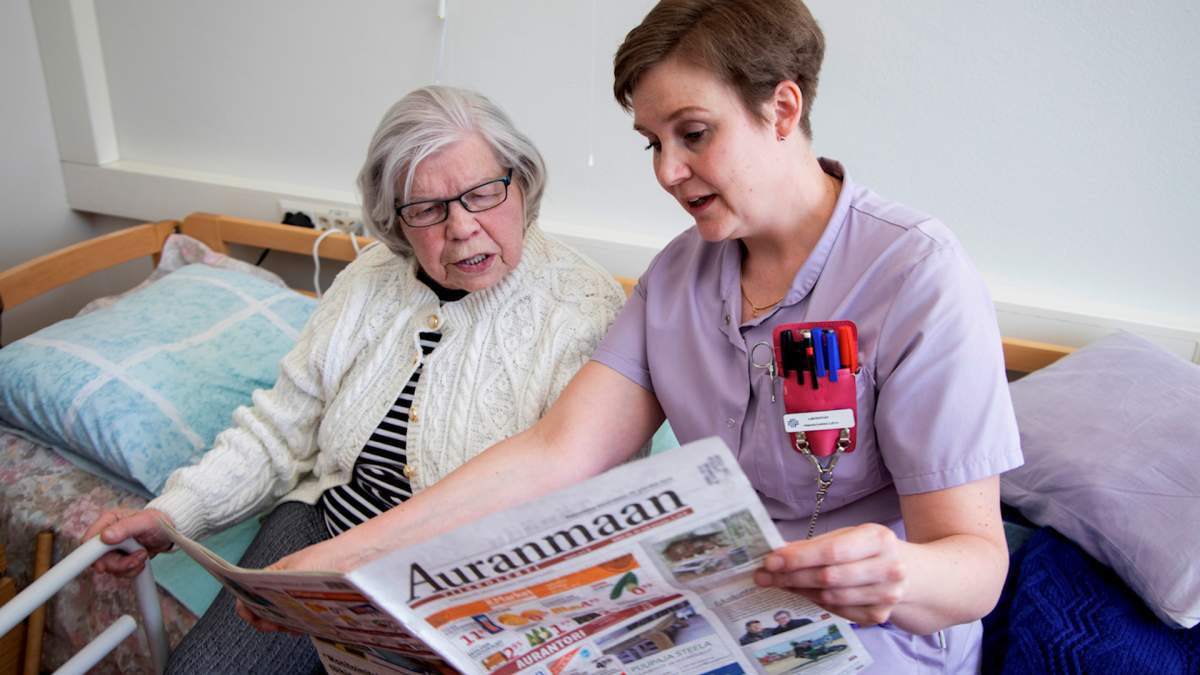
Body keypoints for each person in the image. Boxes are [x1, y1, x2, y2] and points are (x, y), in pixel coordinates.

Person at [264, 1, 1020, 671]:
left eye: (693, 134)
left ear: (782, 109)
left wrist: (895, 572)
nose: (667, 171)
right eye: (651, 142)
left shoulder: (914, 276)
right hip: (713, 621)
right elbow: (556, 452)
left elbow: (977, 567)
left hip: (872, 637)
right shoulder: (678, 279)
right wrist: (340, 560)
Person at [82, 85, 627, 674]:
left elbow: (570, 508)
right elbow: (280, 429)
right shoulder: (369, 280)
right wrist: (173, 514)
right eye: (427, 209)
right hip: (324, 529)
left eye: (482, 193)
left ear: (522, 183)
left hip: (469, 578)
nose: (463, 227)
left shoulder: (583, 306)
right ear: (395, 220)